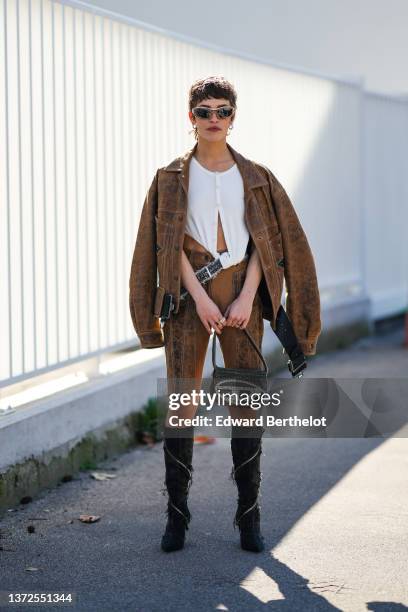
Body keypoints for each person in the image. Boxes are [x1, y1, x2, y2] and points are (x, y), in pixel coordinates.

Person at [129, 76, 321, 553]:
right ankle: (176, 519)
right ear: (189, 117)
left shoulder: (255, 176)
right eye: (204, 111)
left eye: (223, 111)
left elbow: (270, 241)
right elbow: (163, 245)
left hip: (241, 294)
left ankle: (249, 519)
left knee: (244, 402)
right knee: (182, 404)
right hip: (188, 295)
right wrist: (198, 296)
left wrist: (245, 295)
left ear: (234, 118)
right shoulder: (170, 177)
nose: (214, 119)